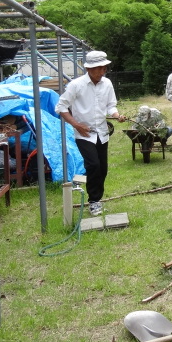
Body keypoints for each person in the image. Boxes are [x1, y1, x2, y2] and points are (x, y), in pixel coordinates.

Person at [55, 50, 128, 217]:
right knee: (93, 165)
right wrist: (77, 125)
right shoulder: (76, 85)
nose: (102, 72)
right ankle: (93, 201)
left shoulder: (107, 84)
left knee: (103, 168)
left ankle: (97, 198)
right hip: (84, 134)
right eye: (98, 69)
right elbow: (61, 108)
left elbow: (111, 105)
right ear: (89, 69)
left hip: (102, 132)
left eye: (104, 69)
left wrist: (116, 115)